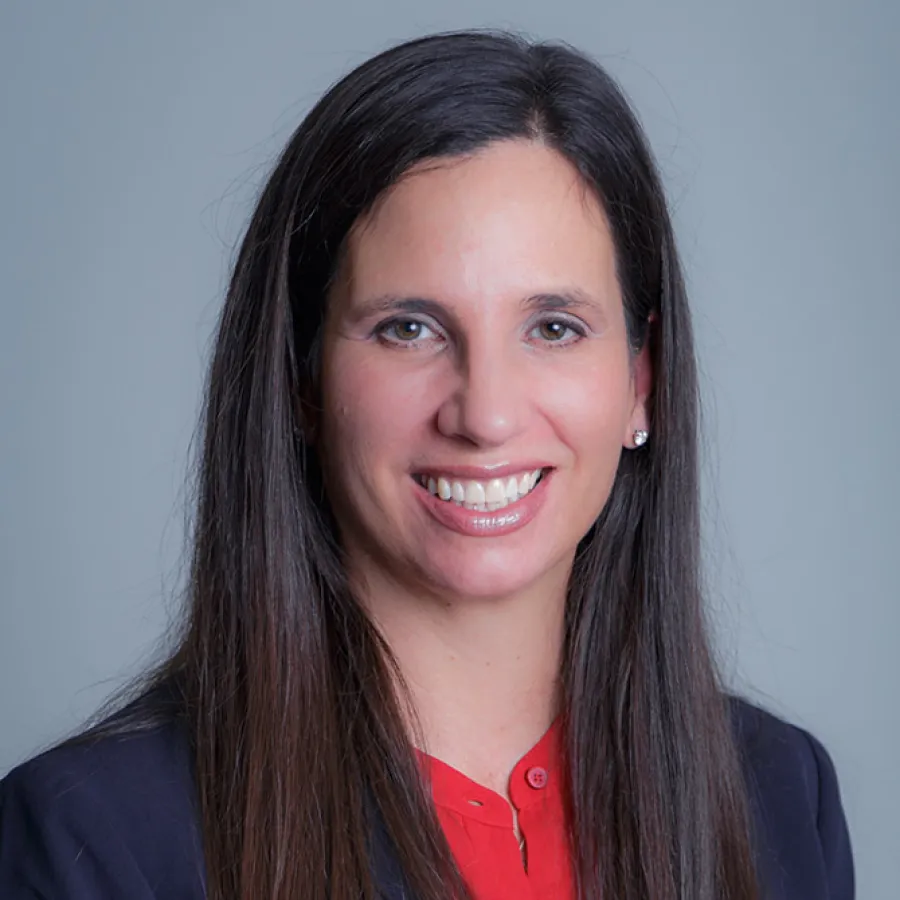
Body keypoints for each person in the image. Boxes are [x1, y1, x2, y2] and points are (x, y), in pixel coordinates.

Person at [0, 30, 853, 900]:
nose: (485, 414)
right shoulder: (95, 837)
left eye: (553, 328)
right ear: (300, 377)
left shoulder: (782, 799)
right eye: (409, 329)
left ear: (643, 380)